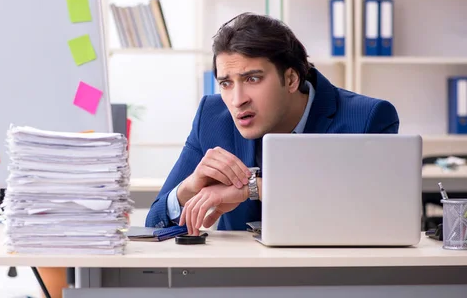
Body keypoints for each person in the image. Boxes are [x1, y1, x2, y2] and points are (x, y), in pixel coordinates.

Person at [145, 12, 399, 235]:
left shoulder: (367, 118)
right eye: (226, 83)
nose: (237, 100)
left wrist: (253, 189)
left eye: (252, 79)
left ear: (290, 80)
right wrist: (188, 189)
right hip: (242, 282)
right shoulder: (212, 116)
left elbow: (377, 220)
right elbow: (153, 223)